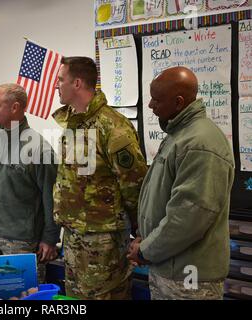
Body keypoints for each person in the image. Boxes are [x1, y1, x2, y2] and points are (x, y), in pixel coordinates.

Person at [127, 66, 235, 300]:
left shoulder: (199, 143)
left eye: (156, 100)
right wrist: (144, 237)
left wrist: (145, 250)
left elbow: (188, 218)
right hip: (170, 267)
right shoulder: (181, 134)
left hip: (188, 278)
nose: (150, 106)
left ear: (178, 102)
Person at [52, 56, 148, 299]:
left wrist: (141, 232)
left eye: (60, 79)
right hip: (73, 235)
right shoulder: (72, 124)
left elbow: (135, 185)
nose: (56, 85)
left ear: (77, 83)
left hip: (103, 240)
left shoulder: (112, 127)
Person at [0, 83, 60, 283]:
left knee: (25, 301)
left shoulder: (40, 150)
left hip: (23, 243)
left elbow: (51, 199)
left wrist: (50, 239)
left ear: (15, 107)